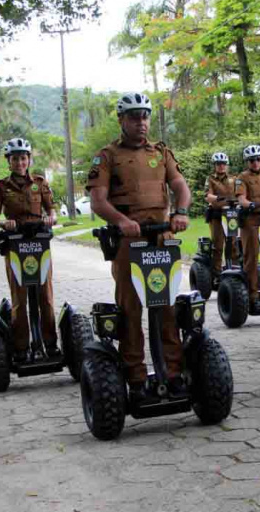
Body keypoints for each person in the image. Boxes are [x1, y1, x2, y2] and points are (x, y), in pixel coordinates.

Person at [87, 92, 192, 402]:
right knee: (130, 310)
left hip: (161, 238)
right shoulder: (108, 156)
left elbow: (180, 186)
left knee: (167, 306)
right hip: (128, 241)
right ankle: (135, 377)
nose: (141, 122)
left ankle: (173, 374)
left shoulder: (161, 153)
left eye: (145, 116)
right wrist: (120, 221)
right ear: (122, 120)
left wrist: (181, 212)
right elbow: (98, 200)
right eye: (134, 117)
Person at [0, 138, 61, 362]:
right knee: (19, 298)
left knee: (45, 297)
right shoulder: (2, 186)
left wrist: (50, 219)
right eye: (15, 159)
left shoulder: (40, 183)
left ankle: (50, 344)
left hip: (39, 243)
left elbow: (53, 212)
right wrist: (4, 223)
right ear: (8, 162)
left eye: (23, 158)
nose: (19, 162)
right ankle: (21, 347)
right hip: (15, 243)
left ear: (28, 160)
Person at [234, 144, 260, 315]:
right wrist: (250, 204)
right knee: (251, 259)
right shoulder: (242, 178)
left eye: (258, 159)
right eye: (252, 160)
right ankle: (253, 297)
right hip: (251, 220)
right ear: (247, 162)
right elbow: (241, 199)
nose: (256, 163)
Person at [204, 152, 236, 280]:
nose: (221, 166)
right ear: (215, 165)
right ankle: (216, 274)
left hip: (232, 215)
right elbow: (207, 196)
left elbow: (241, 192)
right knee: (218, 246)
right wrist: (217, 198)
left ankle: (235, 271)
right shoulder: (211, 179)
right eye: (218, 164)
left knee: (233, 244)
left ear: (227, 165)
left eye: (223, 164)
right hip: (217, 215)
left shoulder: (234, 178)